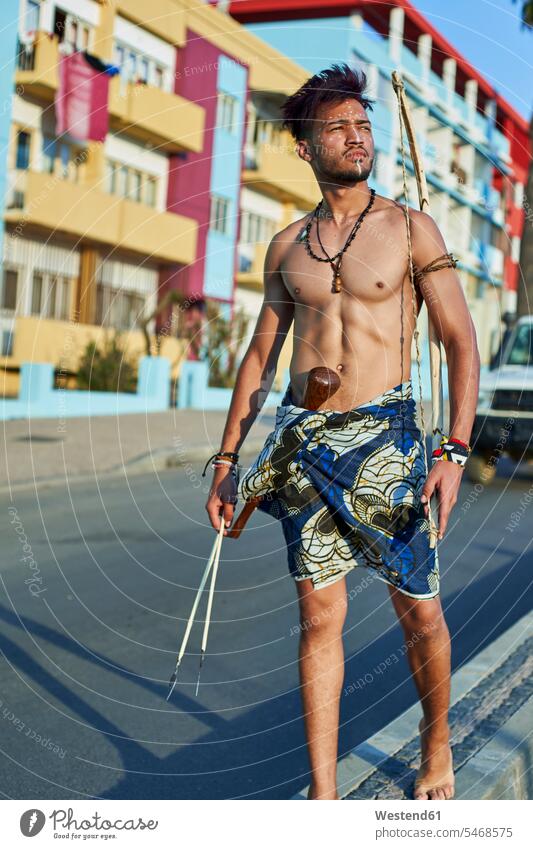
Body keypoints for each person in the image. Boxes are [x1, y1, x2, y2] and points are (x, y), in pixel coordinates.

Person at [204, 63, 480, 801]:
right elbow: (261, 356)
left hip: (388, 438)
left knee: (418, 609)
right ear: (305, 146)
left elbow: (459, 340)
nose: (356, 137)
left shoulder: (408, 227)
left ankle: (436, 743)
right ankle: (322, 797)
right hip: (305, 443)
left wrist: (451, 449)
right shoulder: (286, 246)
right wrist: (228, 457)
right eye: (338, 127)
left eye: (363, 125)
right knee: (317, 616)